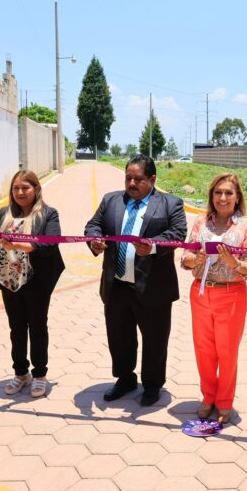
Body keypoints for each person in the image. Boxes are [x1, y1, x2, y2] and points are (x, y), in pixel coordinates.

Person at [85, 154, 187, 406]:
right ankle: (125, 378)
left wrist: (152, 246)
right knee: (119, 337)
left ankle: (152, 386)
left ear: (152, 179)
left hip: (153, 287)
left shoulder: (170, 204)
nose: (131, 184)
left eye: (138, 179)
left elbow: (177, 233)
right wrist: (94, 240)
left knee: (154, 339)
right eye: (128, 178)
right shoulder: (111, 201)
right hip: (117, 284)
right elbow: (93, 225)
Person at [181, 173, 247, 424]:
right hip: (201, 292)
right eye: (218, 192)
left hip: (231, 295)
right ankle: (208, 398)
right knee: (204, 350)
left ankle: (224, 402)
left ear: (237, 198)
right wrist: (197, 259)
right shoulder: (200, 223)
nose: (222, 198)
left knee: (226, 352)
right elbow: (185, 258)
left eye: (228, 193)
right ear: (211, 196)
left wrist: (235, 263)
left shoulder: (246, 227)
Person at [0, 170, 65, 398]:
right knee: (16, 330)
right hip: (9, 280)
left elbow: (50, 244)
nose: (20, 192)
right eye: (16, 188)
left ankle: (40, 375)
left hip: (36, 281)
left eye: (25, 188)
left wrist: (17, 245)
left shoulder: (48, 214)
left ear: (36, 189)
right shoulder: (3, 214)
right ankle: (21, 373)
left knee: (38, 328)